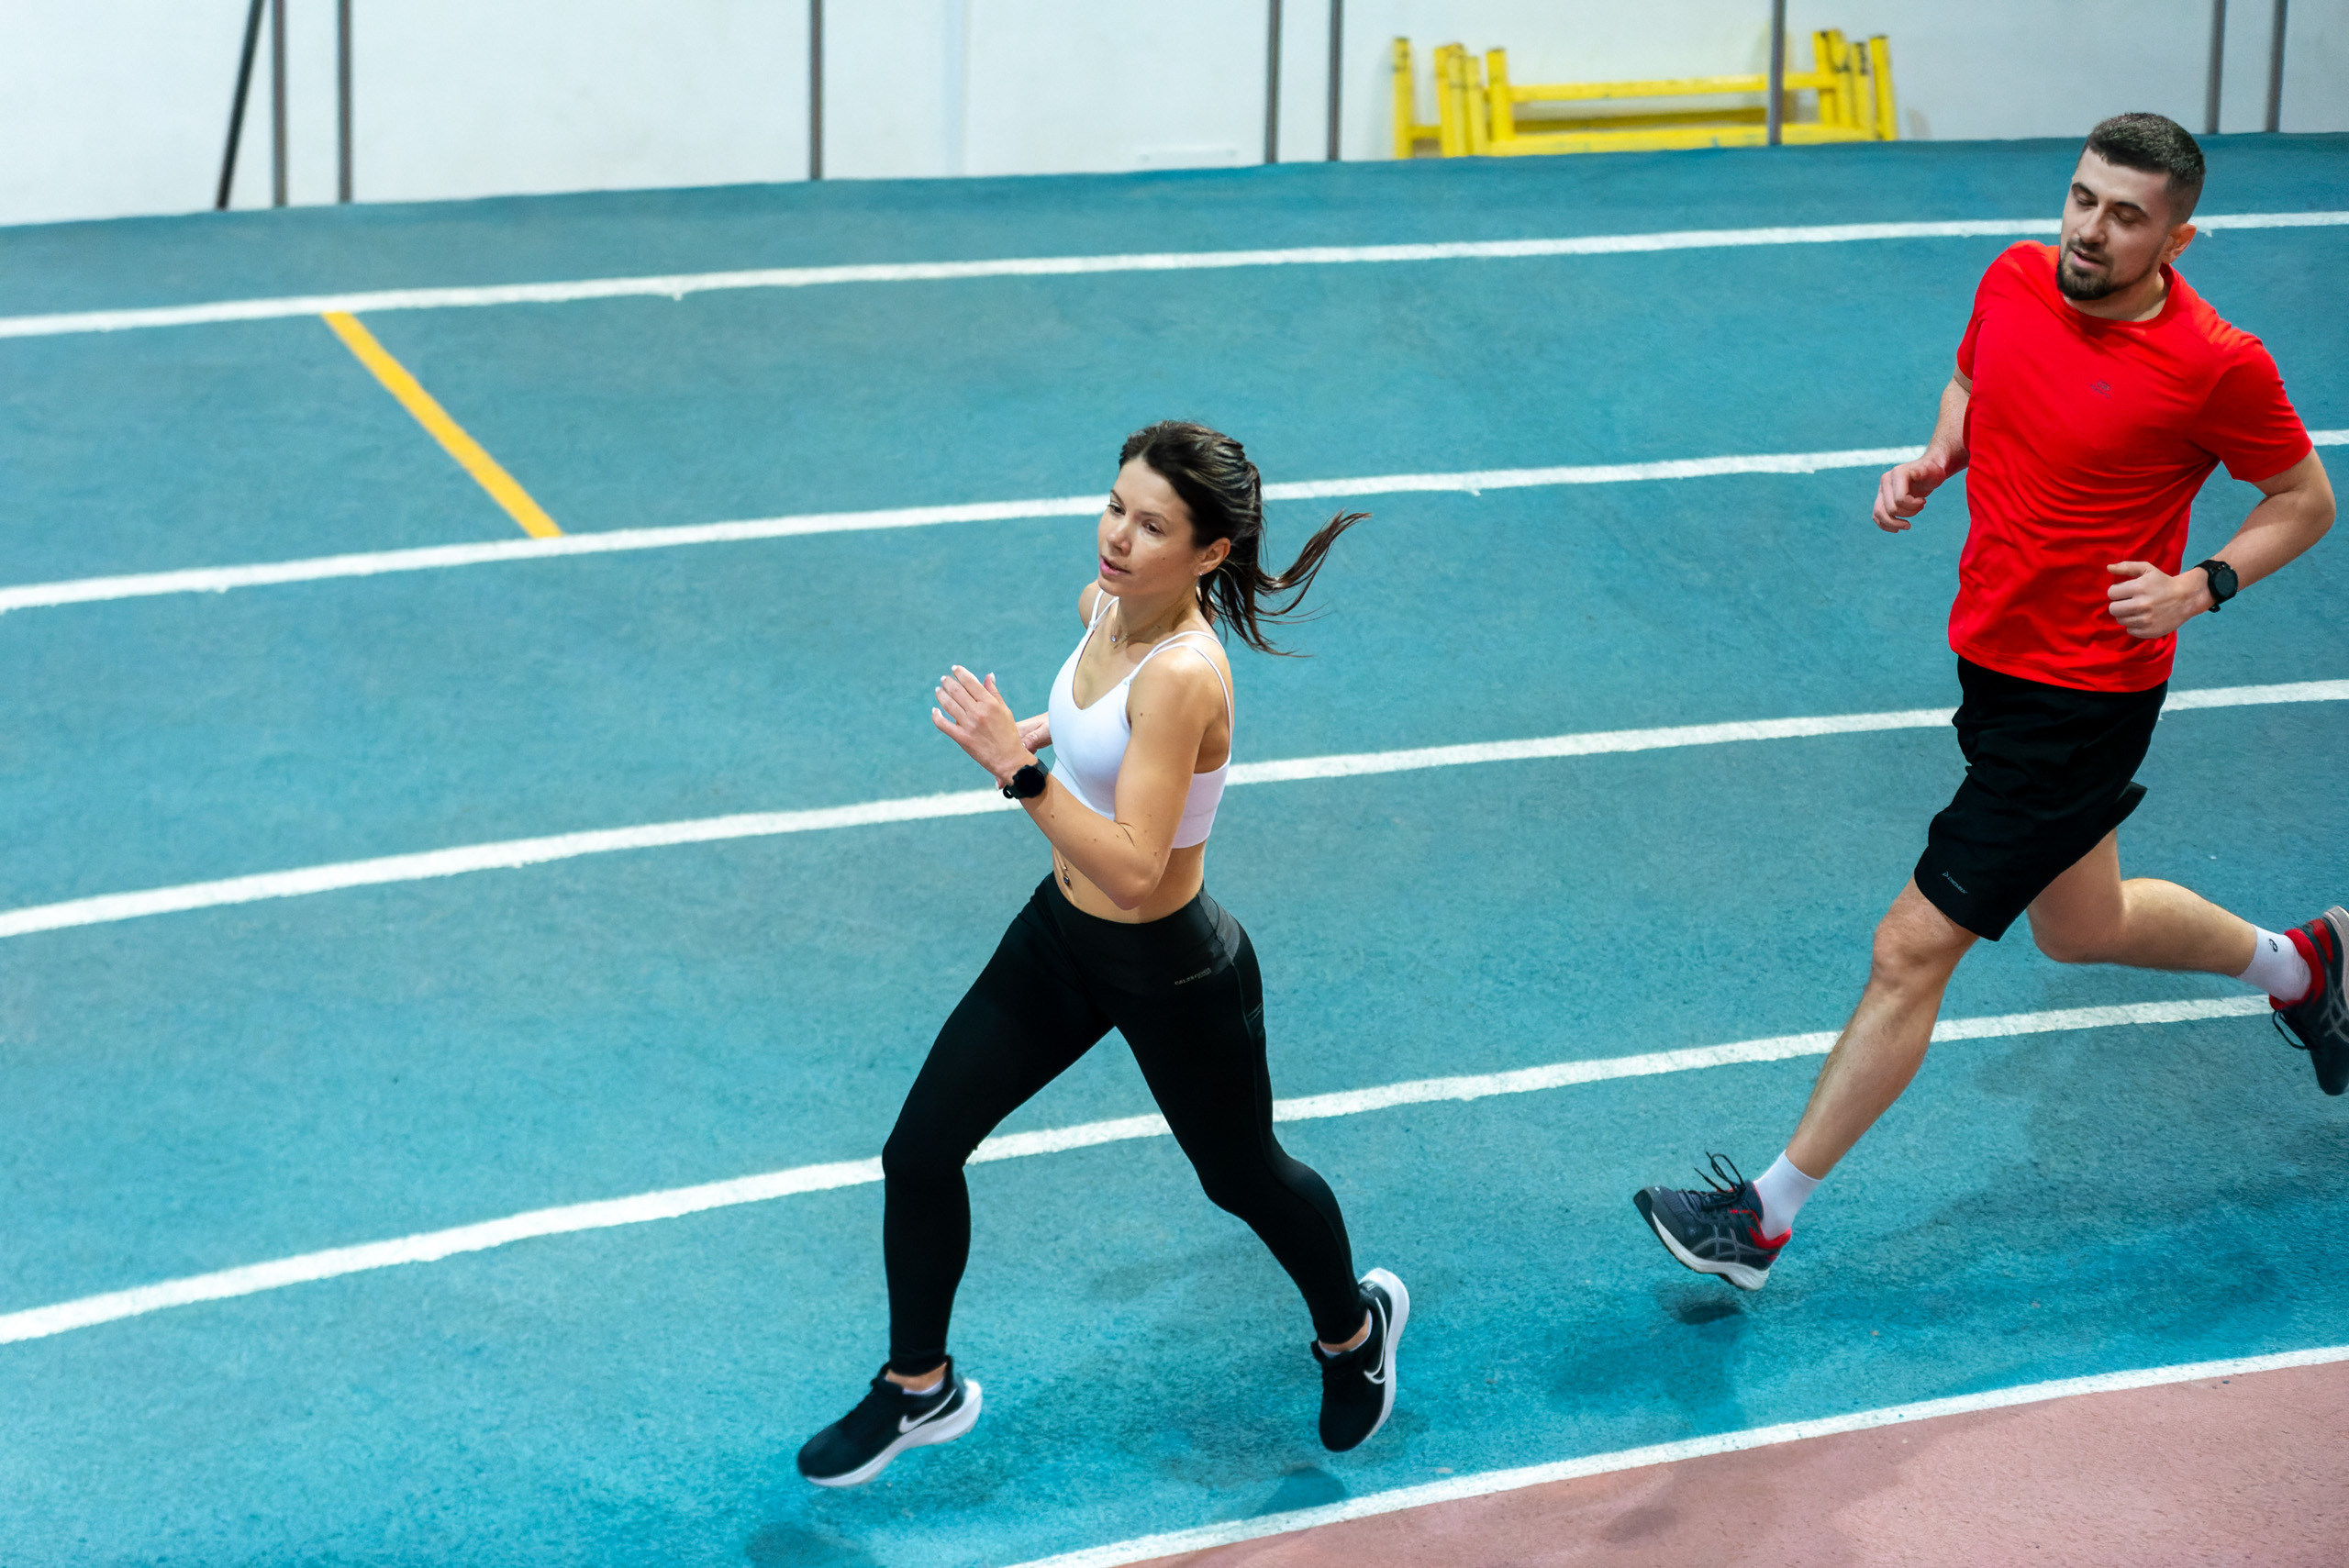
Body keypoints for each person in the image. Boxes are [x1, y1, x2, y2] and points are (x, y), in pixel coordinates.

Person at [1635, 113, 2340, 1294]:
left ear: (2178, 233)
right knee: (2082, 923)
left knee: (1908, 947)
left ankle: (1759, 1216)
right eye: (2081, 198)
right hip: (1994, 661)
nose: (2090, 229)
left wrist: (2200, 585)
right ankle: (2306, 968)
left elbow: (2303, 497)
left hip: (2085, 692)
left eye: (2125, 215)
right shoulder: (2013, 277)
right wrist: (1932, 456)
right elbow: (1975, 375)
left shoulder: (2217, 361)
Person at [796, 421, 1406, 1486]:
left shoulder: (1186, 677)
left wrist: (1010, 768)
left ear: (1211, 552)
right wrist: (1043, 731)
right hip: (1061, 939)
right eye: (1115, 505)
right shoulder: (1105, 607)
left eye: (1152, 524)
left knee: (1241, 1176)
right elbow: (1095, 720)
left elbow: (1133, 868)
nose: (1118, 536)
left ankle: (1353, 1333)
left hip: (1168, 967)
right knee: (919, 1149)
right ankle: (917, 1385)